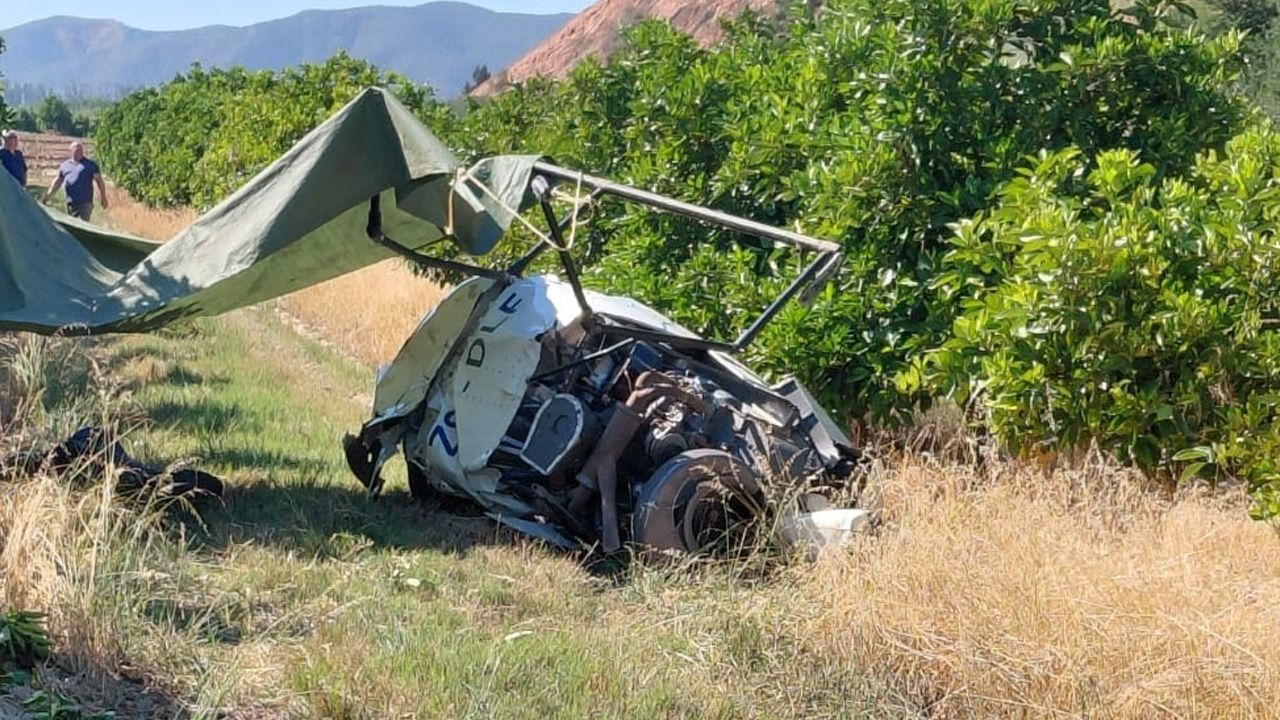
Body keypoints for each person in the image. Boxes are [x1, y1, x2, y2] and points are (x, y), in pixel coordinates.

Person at [43, 141, 108, 221]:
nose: (79, 152)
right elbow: (57, 182)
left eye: (81, 150)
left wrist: (103, 197)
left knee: (82, 224)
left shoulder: (90, 165)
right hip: (71, 202)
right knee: (73, 222)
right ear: (71, 151)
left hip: (85, 202)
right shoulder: (65, 165)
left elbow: (99, 181)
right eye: (77, 150)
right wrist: (47, 196)